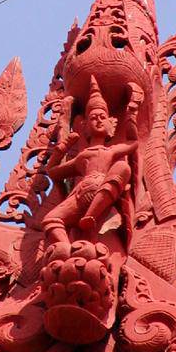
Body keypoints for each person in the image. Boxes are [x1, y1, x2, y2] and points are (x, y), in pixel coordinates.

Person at [42, 76, 141, 246]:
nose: (98, 120)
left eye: (103, 117)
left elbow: (133, 143)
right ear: (85, 126)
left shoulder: (111, 151)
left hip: (102, 186)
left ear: (111, 124)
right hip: (80, 193)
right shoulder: (82, 157)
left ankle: (91, 215)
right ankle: (66, 248)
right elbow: (53, 172)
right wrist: (60, 150)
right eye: (94, 117)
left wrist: (132, 114)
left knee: (122, 167)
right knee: (50, 220)